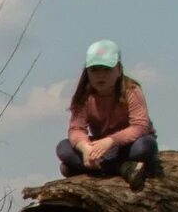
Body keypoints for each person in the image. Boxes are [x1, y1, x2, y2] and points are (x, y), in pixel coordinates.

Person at [61, 37, 161, 183]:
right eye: (94, 70)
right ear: (87, 72)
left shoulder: (131, 90)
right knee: (63, 148)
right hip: (99, 147)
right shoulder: (84, 96)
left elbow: (140, 126)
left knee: (146, 147)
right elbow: (76, 128)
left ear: (119, 70)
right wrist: (85, 148)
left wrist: (111, 141)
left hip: (127, 145)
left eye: (107, 70)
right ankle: (121, 168)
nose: (100, 75)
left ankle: (93, 168)